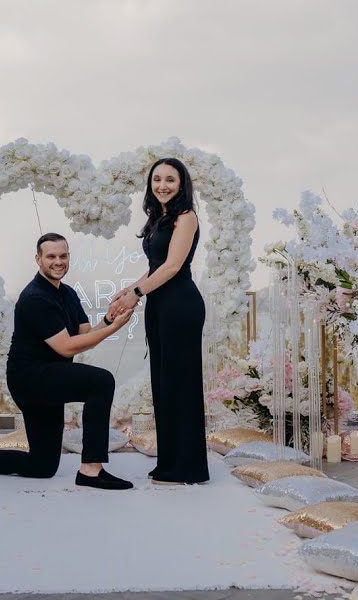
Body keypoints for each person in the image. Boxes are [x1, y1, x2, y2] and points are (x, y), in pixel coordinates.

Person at [0, 232, 136, 490]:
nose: (58, 261)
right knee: (101, 382)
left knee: (42, 466)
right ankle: (91, 469)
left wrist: (110, 319)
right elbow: (67, 348)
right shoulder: (35, 298)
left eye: (63, 256)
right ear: (39, 259)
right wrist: (115, 329)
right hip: (31, 379)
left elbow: (86, 335)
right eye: (51, 256)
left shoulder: (67, 293)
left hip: (50, 376)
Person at [107, 158, 210, 485]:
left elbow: (172, 267)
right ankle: (170, 460)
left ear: (182, 184)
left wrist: (136, 292)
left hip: (180, 306)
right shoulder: (160, 217)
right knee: (164, 386)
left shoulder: (186, 216)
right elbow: (155, 266)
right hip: (160, 305)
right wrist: (128, 289)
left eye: (170, 179)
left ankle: (186, 467)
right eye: (157, 179)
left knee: (180, 386)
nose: (162, 185)